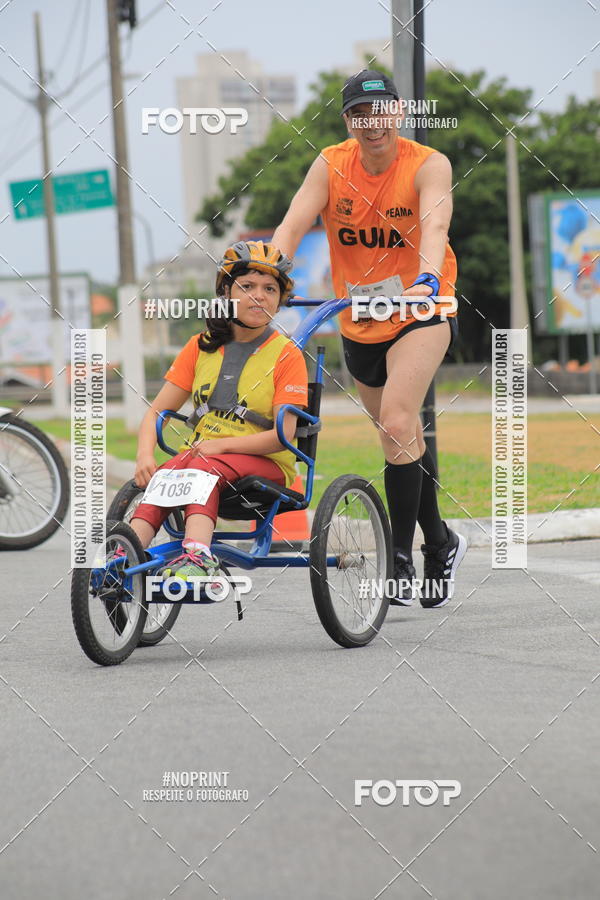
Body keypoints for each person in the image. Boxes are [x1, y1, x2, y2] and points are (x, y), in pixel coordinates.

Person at [272, 68, 466, 608]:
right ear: (348, 120)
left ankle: (400, 562)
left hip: (421, 309)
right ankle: (443, 540)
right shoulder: (331, 164)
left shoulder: (428, 164)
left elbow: (434, 225)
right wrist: (271, 273)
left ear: (398, 113)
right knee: (398, 436)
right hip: (357, 317)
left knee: (400, 422)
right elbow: (292, 224)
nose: (371, 123)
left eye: (379, 112)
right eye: (359, 113)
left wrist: (427, 278)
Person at [123, 240, 308, 581]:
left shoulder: (287, 355)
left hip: (267, 464)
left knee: (201, 465)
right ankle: (125, 556)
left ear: (279, 300)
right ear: (226, 291)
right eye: (247, 286)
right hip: (205, 458)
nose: (259, 296)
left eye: (270, 289)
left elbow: (284, 437)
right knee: (167, 475)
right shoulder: (200, 346)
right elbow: (155, 413)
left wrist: (221, 445)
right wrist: (144, 455)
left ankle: (197, 557)